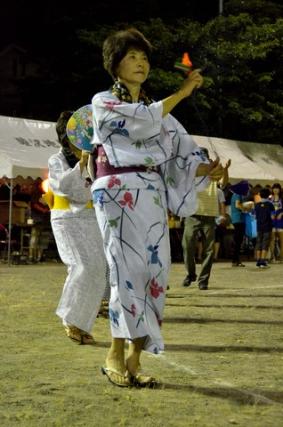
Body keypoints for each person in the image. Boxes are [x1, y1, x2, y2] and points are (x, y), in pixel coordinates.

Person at [88, 28, 224, 387]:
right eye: (132, 57)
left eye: (144, 58)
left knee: (154, 273)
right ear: (115, 65)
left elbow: (182, 152)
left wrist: (206, 168)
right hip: (116, 191)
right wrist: (182, 91)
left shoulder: (160, 113)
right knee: (125, 270)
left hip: (150, 193)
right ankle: (113, 354)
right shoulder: (103, 102)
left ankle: (134, 358)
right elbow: (141, 119)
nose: (140, 63)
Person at [47, 111, 107, 345]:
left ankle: (82, 323)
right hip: (66, 219)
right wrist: (80, 164)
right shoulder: (57, 160)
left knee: (97, 268)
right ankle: (70, 321)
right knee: (80, 265)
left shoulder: (95, 156)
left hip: (92, 218)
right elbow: (63, 187)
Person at [182, 150, 230, 290]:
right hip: (192, 215)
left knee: (208, 250)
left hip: (209, 216)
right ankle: (191, 274)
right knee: (187, 246)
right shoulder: (191, 171)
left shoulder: (213, 172)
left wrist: (225, 170)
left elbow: (224, 183)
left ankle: (203, 280)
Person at [230, 180, 253, 267]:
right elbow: (237, 205)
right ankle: (235, 260)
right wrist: (245, 208)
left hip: (239, 219)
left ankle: (235, 260)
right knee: (238, 240)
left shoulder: (237, 194)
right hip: (238, 219)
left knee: (238, 240)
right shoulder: (237, 194)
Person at [254, 187, 274, 268]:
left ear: (260, 195)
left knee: (259, 242)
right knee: (265, 243)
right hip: (267, 226)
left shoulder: (257, 205)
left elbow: (255, 216)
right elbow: (272, 216)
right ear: (268, 195)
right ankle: (263, 260)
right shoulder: (270, 205)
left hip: (259, 226)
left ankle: (258, 260)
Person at [269, 183, 283, 262]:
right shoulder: (270, 198)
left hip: (281, 221)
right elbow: (267, 209)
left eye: (277, 188)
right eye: (274, 188)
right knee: (272, 239)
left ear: (280, 189)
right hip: (272, 221)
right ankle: (272, 257)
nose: (276, 189)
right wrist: (270, 215)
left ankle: (281, 257)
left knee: (282, 240)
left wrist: (281, 213)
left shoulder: (282, 198)